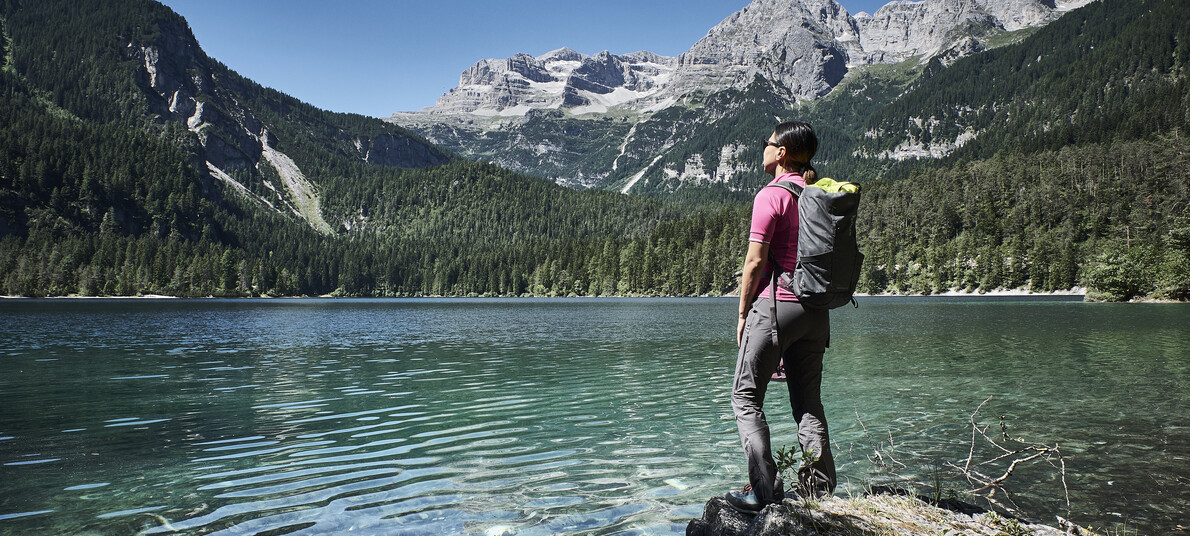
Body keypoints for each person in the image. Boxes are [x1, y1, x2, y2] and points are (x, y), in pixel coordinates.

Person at [725, 121, 836, 513]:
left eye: (767, 143)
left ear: (782, 152)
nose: (764, 149)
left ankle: (763, 490)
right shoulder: (817, 193)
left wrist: (742, 314)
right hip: (816, 313)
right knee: (808, 402)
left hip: (778, 307)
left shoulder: (771, 195)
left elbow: (755, 262)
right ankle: (818, 490)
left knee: (745, 397)